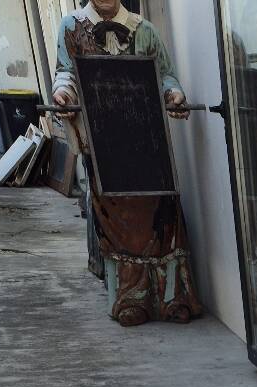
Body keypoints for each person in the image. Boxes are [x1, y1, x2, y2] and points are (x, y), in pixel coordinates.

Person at [53, 2, 202, 326]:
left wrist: (173, 95)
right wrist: (62, 94)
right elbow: (65, 73)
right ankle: (129, 299)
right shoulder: (70, 27)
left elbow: (166, 75)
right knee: (116, 224)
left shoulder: (144, 29)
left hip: (148, 140)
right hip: (102, 145)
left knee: (164, 218)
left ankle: (172, 296)